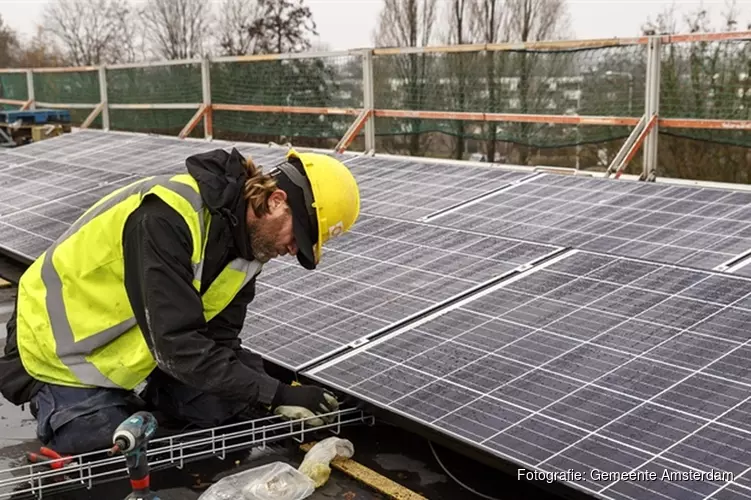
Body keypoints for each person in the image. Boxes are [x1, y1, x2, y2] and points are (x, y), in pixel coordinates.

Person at [0, 146, 360, 455]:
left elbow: (218, 343)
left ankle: (143, 397)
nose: (294, 248)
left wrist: (277, 396)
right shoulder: (167, 217)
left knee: (230, 404)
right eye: (299, 234)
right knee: (110, 449)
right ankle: (66, 407)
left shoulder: (248, 253)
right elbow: (177, 345)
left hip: (136, 350)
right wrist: (275, 392)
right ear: (276, 201)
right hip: (57, 350)